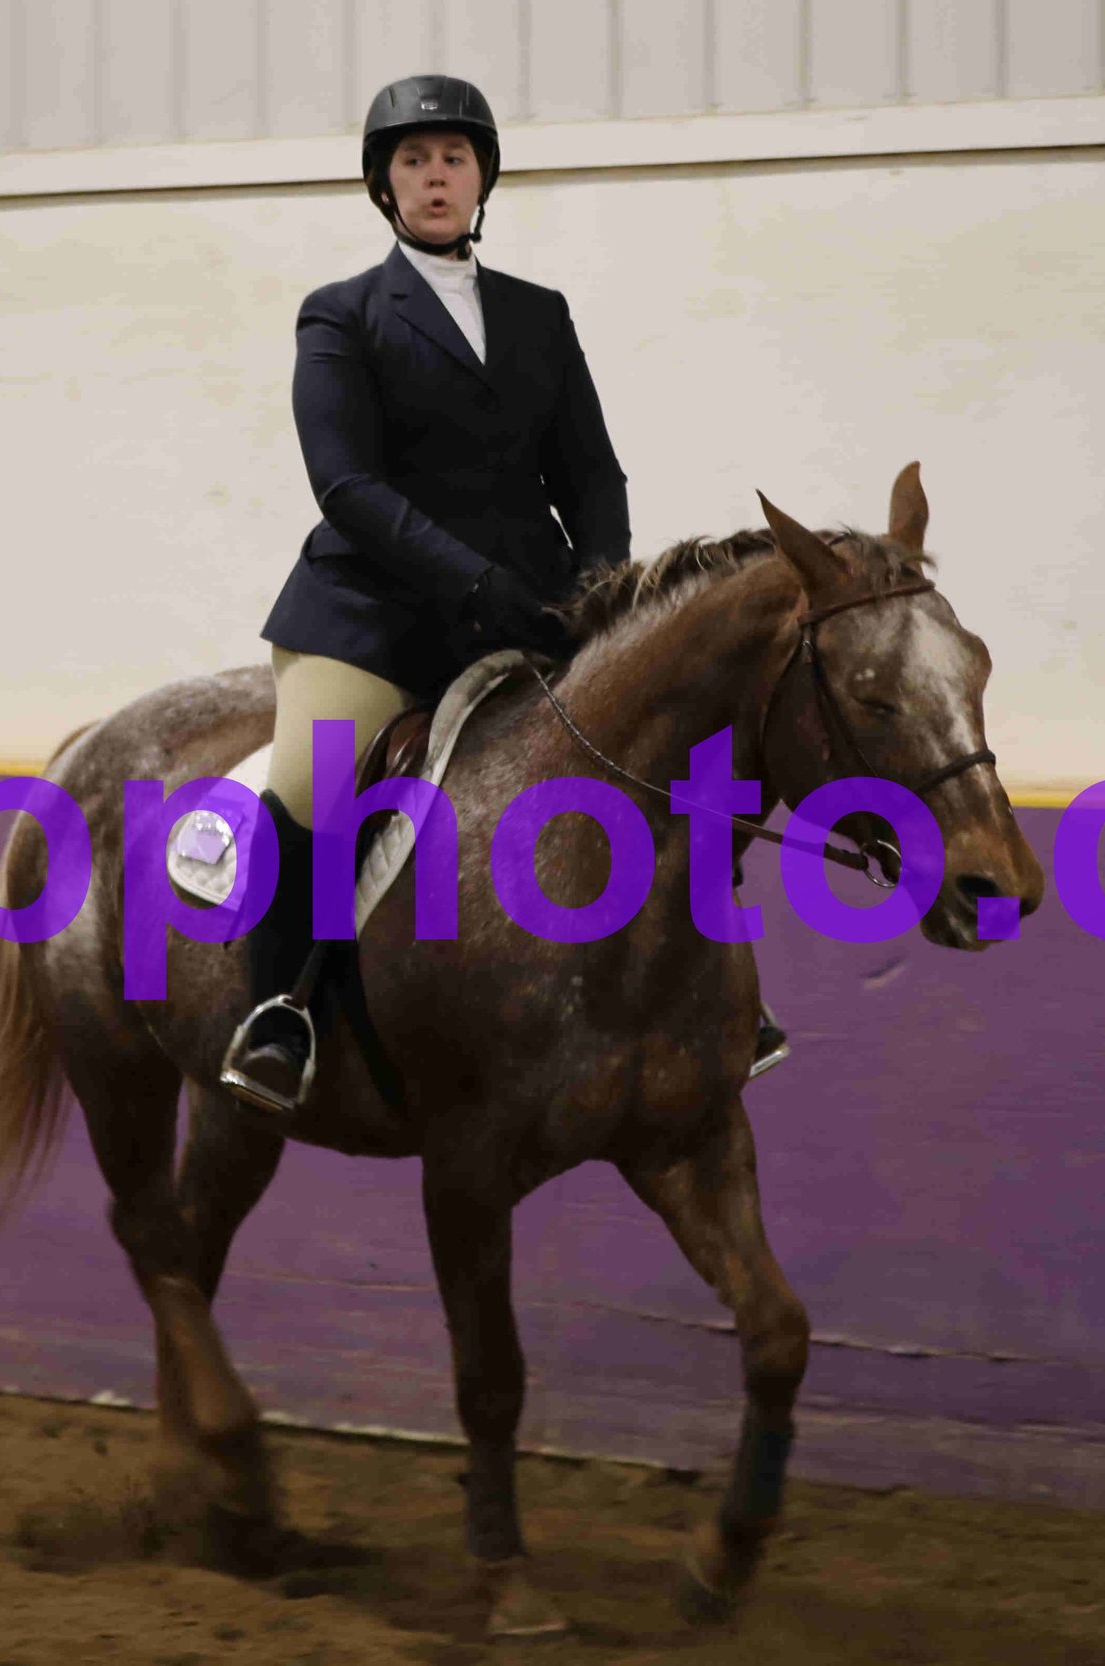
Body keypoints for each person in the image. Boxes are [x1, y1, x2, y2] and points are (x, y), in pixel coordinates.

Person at [222, 74, 785, 1117]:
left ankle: (712, 1003)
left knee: (670, 749)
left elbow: (591, 474)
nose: (436, 176)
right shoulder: (341, 314)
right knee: (311, 782)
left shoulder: (538, 313)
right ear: (384, 186)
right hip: (371, 618)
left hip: (532, 608)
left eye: (454, 158)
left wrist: (604, 595)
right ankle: (281, 1012)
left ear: (482, 178)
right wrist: (473, 580)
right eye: (413, 161)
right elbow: (347, 487)